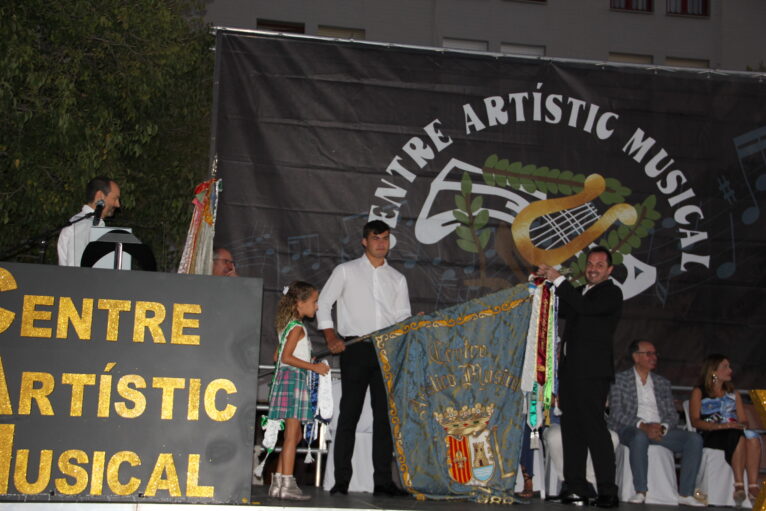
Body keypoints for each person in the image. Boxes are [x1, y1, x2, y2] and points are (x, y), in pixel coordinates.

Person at [317, 220, 411, 497]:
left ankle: (383, 482)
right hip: (355, 348)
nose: (382, 243)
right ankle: (341, 481)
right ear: (364, 241)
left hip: (385, 349)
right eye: (376, 238)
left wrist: (405, 330)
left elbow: (403, 316)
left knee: (384, 417)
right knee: (350, 414)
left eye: (386, 238)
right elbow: (323, 303)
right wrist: (331, 337)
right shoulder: (346, 271)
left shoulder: (397, 278)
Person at [537, 246, 621, 508]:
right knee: (572, 428)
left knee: (594, 429)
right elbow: (562, 308)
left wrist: (559, 279)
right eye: (590, 263)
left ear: (609, 270)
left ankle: (608, 489)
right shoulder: (582, 292)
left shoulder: (611, 293)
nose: (593, 268)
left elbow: (583, 308)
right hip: (572, 372)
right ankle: (576, 486)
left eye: (599, 264)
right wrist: (543, 286)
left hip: (592, 373)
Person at [608, 340, 704, 506]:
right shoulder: (619, 380)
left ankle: (686, 493)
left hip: (658, 430)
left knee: (694, 439)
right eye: (649, 354)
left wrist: (663, 427)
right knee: (639, 437)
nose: (654, 357)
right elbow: (616, 413)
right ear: (636, 357)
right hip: (631, 429)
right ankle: (640, 491)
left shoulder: (662, 383)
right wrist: (643, 425)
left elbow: (672, 415)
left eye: (655, 354)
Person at [266, 281, 330, 500]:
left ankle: (278, 482)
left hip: (286, 379)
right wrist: (313, 366)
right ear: (300, 303)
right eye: (314, 301)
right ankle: (287, 484)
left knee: (293, 434)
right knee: (293, 435)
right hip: (293, 380)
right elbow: (285, 358)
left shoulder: (287, 326)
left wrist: (305, 359)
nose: (317, 306)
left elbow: (277, 357)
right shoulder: (296, 327)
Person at [689, 354, 762, 507]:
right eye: (725, 367)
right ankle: (739, 485)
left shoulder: (733, 394)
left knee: (753, 437)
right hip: (711, 432)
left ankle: (753, 486)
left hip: (732, 430)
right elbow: (696, 421)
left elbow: (743, 419)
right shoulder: (699, 392)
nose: (730, 370)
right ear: (714, 371)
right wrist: (722, 426)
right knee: (737, 435)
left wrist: (740, 424)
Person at [57, 176, 121, 266]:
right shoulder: (82, 225)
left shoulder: (91, 224)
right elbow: (77, 269)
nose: (118, 204)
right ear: (100, 196)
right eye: (115, 198)